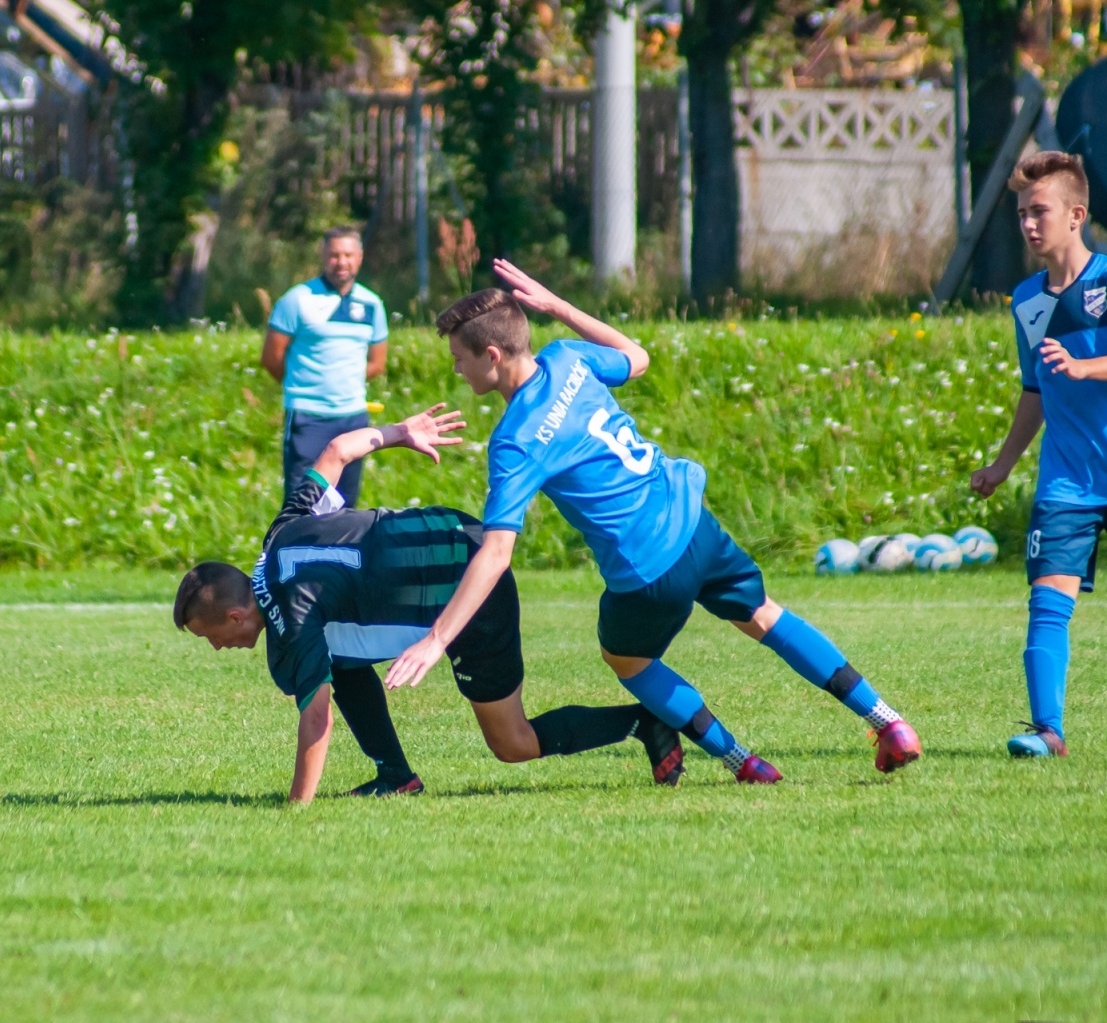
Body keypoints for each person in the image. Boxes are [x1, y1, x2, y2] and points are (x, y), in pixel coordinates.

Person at [382, 264, 923, 782]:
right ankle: (888, 721)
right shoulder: (568, 358)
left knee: (626, 659)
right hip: (693, 521)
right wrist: (558, 306)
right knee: (763, 615)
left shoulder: (516, 440)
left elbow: (496, 553)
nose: (456, 369)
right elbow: (636, 357)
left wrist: (435, 640)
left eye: (459, 358)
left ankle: (743, 761)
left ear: (493, 355)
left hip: (647, 568)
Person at [174, 405, 686, 803]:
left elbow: (317, 719)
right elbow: (335, 453)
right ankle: (395, 776)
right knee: (338, 661)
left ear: (237, 615)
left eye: (210, 637)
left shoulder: (292, 614)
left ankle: (644, 722)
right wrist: (401, 431)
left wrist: (296, 809)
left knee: (513, 744)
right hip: (458, 530)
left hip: (474, 596)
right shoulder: (278, 536)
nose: (217, 648)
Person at [970, 151, 1107, 759]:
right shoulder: (1027, 300)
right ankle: (1047, 731)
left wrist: (1086, 367)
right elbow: (1035, 390)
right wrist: (1002, 465)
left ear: (1076, 215)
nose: (1029, 224)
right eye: (1021, 214)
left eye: (1039, 211)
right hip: (1066, 482)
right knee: (1048, 600)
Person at [261, 225, 388, 507]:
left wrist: (344, 382)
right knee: (302, 502)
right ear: (323, 256)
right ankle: (294, 551)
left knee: (344, 505)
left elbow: (377, 363)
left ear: (360, 257)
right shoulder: (297, 300)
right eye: (334, 255)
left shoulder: (372, 304)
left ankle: (339, 552)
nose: (341, 262)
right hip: (308, 418)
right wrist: (306, 385)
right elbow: (271, 358)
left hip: (353, 417)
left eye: (347, 255)